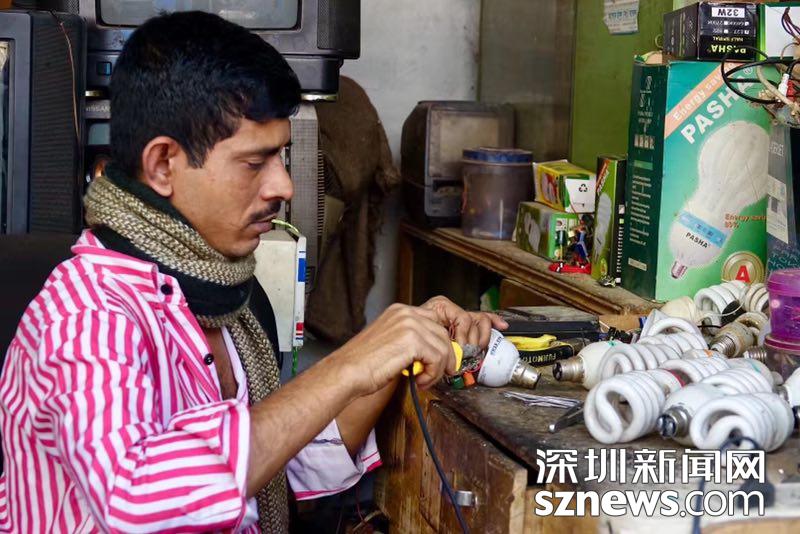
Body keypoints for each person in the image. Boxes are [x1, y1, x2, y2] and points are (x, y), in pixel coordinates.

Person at [0, 11, 506, 533]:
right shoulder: (86, 315)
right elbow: (135, 498)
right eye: (254, 162)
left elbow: (276, 468)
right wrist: (348, 365)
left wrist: (397, 349)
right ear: (163, 164)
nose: (283, 187)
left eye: (281, 157)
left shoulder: (228, 297)